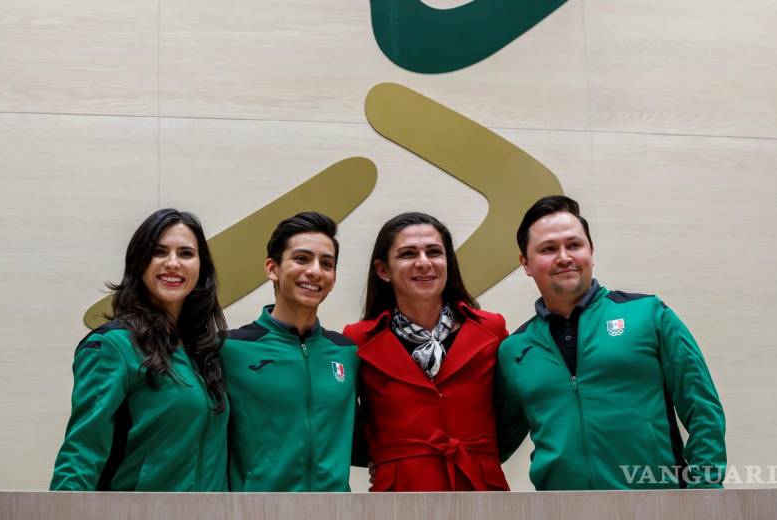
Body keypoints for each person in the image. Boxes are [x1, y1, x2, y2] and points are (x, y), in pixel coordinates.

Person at [497, 195, 726, 490]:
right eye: (548, 249)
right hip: (561, 510)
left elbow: (703, 409)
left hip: (656, 505)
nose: (564, 256)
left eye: (574, 245)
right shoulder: (514, 350)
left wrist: (705, 491)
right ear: (526, 264)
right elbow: (492, 444)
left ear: (591, 252)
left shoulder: (649, 314)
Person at [51, 209, 228, 491]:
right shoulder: (113, 346)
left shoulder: (204, 352)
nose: (173, 263)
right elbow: (82, 451)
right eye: (159, 252)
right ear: (139, 262)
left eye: (185, 254)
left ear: (201, 267)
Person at [344, 212, 510, 491]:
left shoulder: (491, 329)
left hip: (481, 488)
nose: (424, 262)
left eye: (434, 252)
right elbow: (342, 418)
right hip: (399, 493)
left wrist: (487, 455)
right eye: (408, 254)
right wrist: (384, 456)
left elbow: (513, 413)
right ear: (383, 270)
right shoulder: (359, 338)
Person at [222, 211, 358, 491]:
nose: (315, 271)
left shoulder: (347, 353)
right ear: (272, 269)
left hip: (335, 512)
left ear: (332, 279)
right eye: (302, 259)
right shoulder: (229, 349)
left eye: (327, 263)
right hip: (255, 513)